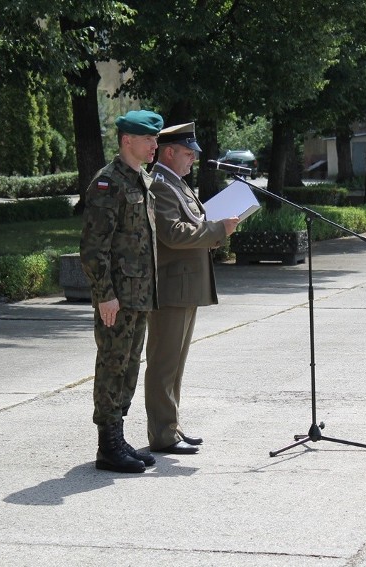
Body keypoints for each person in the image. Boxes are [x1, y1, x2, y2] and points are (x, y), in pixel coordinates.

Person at [144, 122, 239, 454]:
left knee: (176, 363)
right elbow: (172, 233)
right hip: (172, 287)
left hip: (185, 286)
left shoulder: (177, 184)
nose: (193, 160)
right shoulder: (160, 186)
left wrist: (215, 228)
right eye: (188, 153)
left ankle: (170, 426)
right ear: (169, 153)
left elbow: (192, 225)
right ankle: (161, 433)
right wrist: (217, 230)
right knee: (163, 362)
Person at [80, 109, 164, 473]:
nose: (155, 145)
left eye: (156, 139)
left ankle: (118, 435)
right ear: (127, 140)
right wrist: (104, 294)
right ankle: (107, 445)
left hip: (140, 293)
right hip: (118, 295)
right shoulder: (107, 183)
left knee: (129, 365)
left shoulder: (141, 180)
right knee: (112, 364)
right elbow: (93, 247)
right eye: (149, 139)